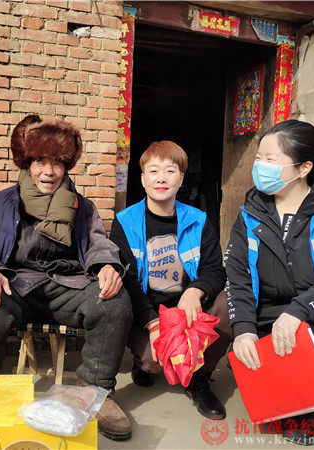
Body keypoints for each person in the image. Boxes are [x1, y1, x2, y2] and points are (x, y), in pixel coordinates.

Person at [0, 114, 134, 441]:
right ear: (27, 163)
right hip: (16, 285)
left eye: (57, 162)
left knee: (114, 302)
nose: (49, 171)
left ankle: (97, 394)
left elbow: (99, 243)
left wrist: (106, 266)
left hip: (68, 285)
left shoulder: (83, 208)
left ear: (67, 166)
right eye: (40, 161)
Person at [226, 120, 314, 445]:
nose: (260, 166)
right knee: (250, 358)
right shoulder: (250, 214)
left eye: (270, 160)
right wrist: (244, 330)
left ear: (303, 168)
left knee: (301, 356)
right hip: (267, 312)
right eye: (258, 158)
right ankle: (296, 392)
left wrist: (298, 311)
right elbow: (238, 276)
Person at [110, 141, 232, 420]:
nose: (161, 178)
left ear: (181, 178)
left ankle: (199, 379)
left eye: (170, 171)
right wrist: (152, 323)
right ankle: (142, 362)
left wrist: (195, 292)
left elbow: (215, 270)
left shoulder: (198, 220)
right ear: (143, 179)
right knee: (154, 364)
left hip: (187, 312)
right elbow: (127, 280)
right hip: (146, 313)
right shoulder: (125, 221)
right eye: (153, 171)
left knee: (228, 303)